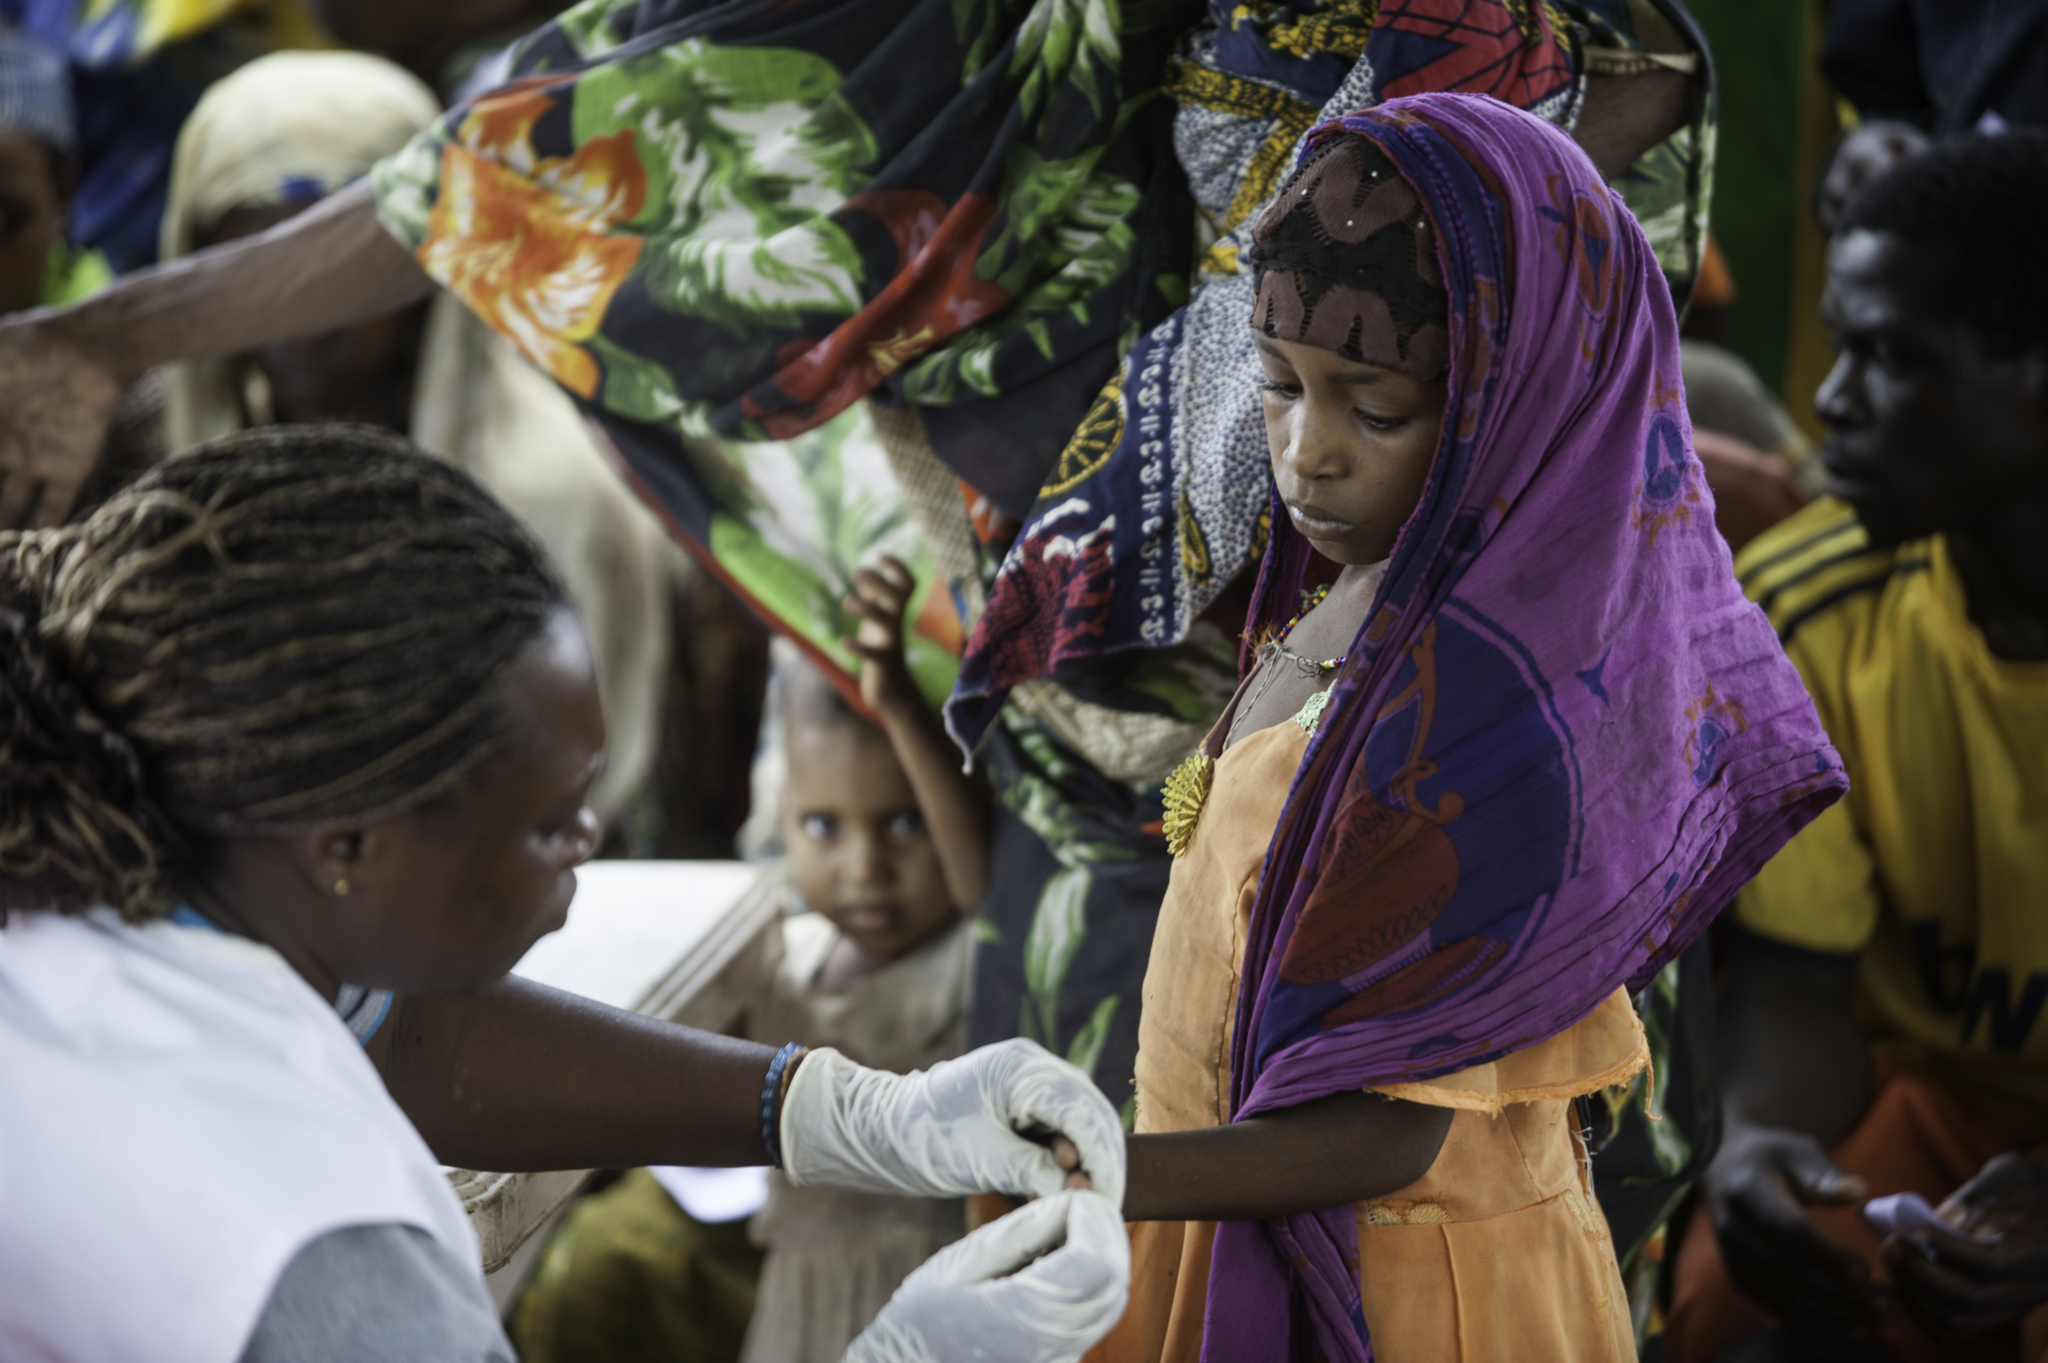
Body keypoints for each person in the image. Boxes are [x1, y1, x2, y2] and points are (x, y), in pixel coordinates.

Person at [941, 92, 1846, 1362]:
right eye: (1276, 387)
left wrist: (1109, 1172)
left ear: (1512, 402)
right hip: (1219, 1212)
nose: (1306, 454)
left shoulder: (1496, 719)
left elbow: (1387, 1134)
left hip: (1416, 1288)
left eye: (1370, 409)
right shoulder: (1350, 603)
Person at [0, 425, 1130, 1363]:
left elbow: (404, 1037)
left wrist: (841, 1110)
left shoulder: (111, 860)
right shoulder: (320, 1250)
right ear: (346, 844)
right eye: (549, 820)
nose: (588, 838)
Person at [1666, 131, 2048, 1363]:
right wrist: (1756, 1144)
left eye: (1886, 357)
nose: (1827, 402)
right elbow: (1798, 984)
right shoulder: (1800, 611)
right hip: (1944, 1110)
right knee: (1734, 1294)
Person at [149, 49, 679, 827]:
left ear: (423, 271)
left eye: (340, 282)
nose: (302, 322)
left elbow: (568, 784)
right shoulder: (147, 469)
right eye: (254, 276)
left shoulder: (544, 494)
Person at [518, 557, 991, 1363]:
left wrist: (905, 711)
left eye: (905, 823)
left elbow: (984, 886)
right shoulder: (779, 958)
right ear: (781, 813)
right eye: (823, 826)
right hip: (796, 1311)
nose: (863, 865)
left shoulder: (966, 967)